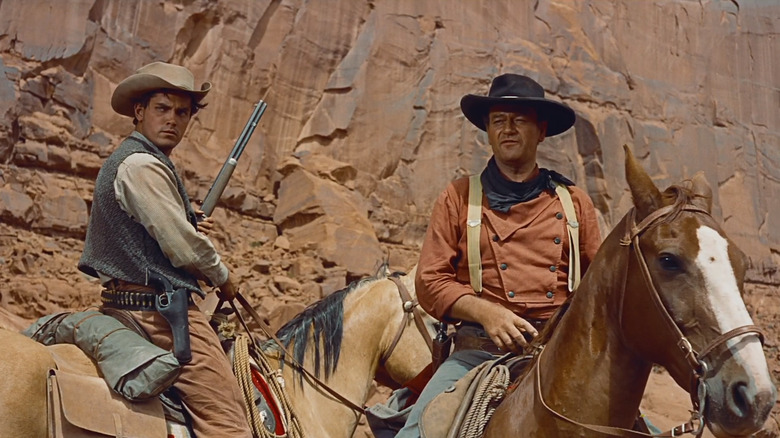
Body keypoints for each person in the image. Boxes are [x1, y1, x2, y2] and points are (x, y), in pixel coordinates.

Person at [395, 73, 602, 437]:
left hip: (561, 354)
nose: (508, 129)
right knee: (418, 431)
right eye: (498, 121)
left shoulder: (574, 203)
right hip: (477, 354)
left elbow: (603, 286)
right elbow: (429, 280)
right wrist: (485, 312)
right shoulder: (458, 197)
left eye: (519, 120)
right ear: (488, 131)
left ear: (541, 131)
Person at [78, 61, 252, 437]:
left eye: (182, 112)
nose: (172, 119)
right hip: (159, 317)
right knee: (229, 423)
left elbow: (159, 232)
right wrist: (223, 277)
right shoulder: (141, 164)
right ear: (139, 112)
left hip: (130, 304)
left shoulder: (142, 160)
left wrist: (187, 222)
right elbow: (183, 249)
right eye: (162, 109)